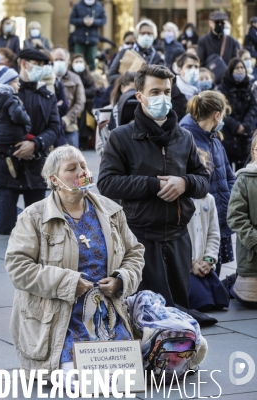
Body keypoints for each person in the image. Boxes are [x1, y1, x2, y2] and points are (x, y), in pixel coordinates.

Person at [5, 145, 144, 382]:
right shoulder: (34, 217)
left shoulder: (111, 211)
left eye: (83, 165)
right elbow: (18, 267)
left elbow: (135, 253)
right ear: (54, 180)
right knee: (81, 382)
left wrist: (120, 280)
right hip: (60, 321)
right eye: (72, 168)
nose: (81, 171)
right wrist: (68, 283)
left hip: (105, 315)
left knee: (126, 378)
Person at [98, 64, 210, 308]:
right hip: (141, 237)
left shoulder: (184, 137)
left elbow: (203, 182)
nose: (163, 98)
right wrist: (151, 185)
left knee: (179, 310)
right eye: (155, 92)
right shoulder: (121, 137)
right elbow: (106, 184)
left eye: (167, 92)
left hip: (179, 236)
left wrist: (184, 182)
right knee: (146, 311)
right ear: (140, 96)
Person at [0, 48, 60, 235]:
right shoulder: (3, 92)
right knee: (5, 227)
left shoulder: (47, 96)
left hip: (36, 166)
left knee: (38, 227)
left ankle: (16, 214)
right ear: (24, 63)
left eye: (43, 66)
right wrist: (12, 147)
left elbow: (55, 128)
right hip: (8, 167)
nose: (42, 69)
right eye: (38, 65)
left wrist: (36, 144)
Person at [180, 92, 236, 275]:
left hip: (218, 216)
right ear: (217, 115)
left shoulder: (214, 139)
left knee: (213, 267)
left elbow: (229, 176)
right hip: (198, 220)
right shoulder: (186, 138)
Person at [186, 148, 230, 311]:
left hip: (203, 263)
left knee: (221, 299)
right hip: (187, 267)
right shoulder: (179, 200)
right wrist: (190, 264)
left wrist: (209, 260)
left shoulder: (208, 199)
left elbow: (213, 234)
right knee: (202, 303)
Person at [227, 136, 257, 309]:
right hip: (252, 255)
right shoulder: (245, 179)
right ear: (253, 152)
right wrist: (254, 240)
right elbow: (235, 217)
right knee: (250, 301)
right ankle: (232, 284)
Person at [217, 57, 257, 169]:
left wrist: (245, 124)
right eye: (237, 68)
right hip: (229, 133)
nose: (240, 71)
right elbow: (222, 110)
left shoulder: (248, 86)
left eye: (242, 68)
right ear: (231, 71)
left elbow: (253, 106)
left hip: (246, 133)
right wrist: (235, 125)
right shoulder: (223, 88)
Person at [107, 19, 164, 85]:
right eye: (143, 33)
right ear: (137, 36)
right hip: (125, 91)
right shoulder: (125, 52)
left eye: (149, 34)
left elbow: (161, 79)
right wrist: (129, 79)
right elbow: (111, 76)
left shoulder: (157, 57)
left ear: (153, 36)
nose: (146, 36)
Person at [95, 71, 137, 158]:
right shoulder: (107, 111)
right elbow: (100, 147)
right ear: (122, 88)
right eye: (130, 90)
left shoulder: (146, 111)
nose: (133, 95)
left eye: (137, 91)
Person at [51, 47, 85, 149]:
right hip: (50, 127)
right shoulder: (46, 78)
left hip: (70, 127)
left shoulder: (75, 78)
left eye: (61, 60)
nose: (58, 62)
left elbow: (80, 102)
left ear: (67, 62)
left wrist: (67, 119)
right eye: (56, 60)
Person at [69, 0, 106, 71]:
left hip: (92, 39)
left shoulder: (99, 6)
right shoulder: (78, 6)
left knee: (91, 61)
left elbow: (103, 20)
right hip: (80, 39)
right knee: (78, 59)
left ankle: (90, 78)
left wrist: (94, 22)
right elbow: (72, 20)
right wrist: (82, 21)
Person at [69, 53, 96, 149]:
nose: (79, 64)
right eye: (76, 62)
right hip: (72, 107)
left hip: (86, 109)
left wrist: (80, 92)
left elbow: (93, 91)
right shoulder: (69, 76)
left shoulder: (89, 77)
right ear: (71, 63)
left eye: (81, 62)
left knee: (85, 129)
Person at [172, 53, 200, 118]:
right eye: (189, 66)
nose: (193, 70)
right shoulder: (171, 94)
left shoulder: (203, 91)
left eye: (196, 67)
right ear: (179, 70)